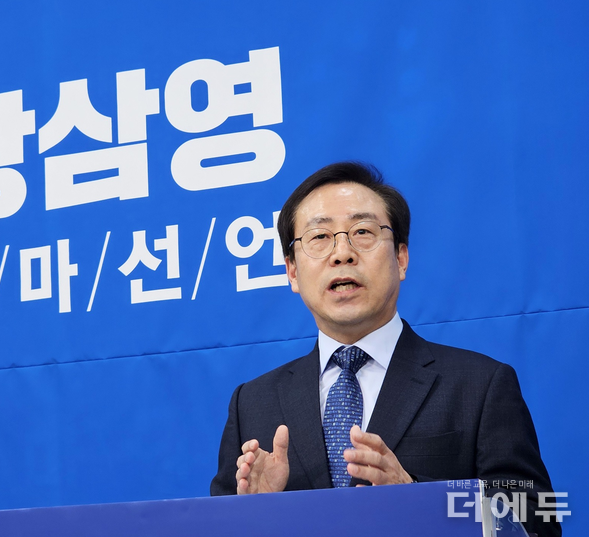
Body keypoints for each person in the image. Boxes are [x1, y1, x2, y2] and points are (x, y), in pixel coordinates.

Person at [210, 162, 560, 537]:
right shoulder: (252, 403)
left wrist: (417, 499)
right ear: (292, 271)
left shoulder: (481, 385)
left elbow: (537, 520)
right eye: (319, 236)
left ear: (401, 258)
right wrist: (255, 514)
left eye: (362, 232)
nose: (342, 253)